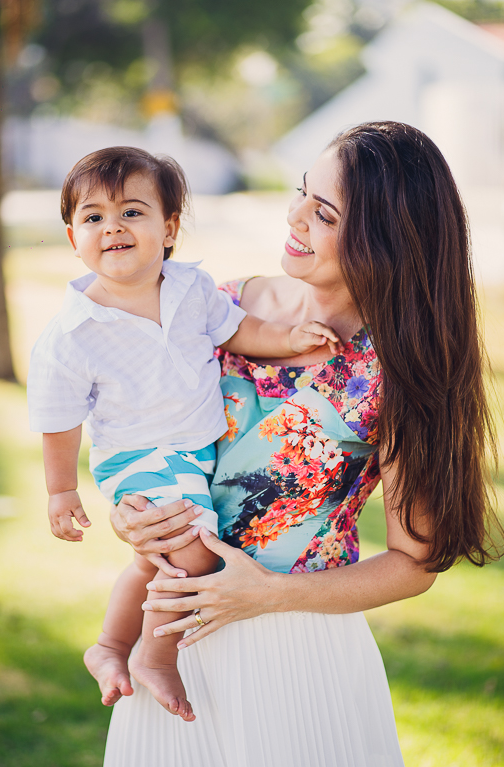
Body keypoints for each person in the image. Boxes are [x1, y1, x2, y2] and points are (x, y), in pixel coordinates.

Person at [101, 122, 504, 767]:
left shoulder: (396, 373)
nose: (294, 217)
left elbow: (416, 562)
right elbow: (141, 435)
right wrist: (129, 514)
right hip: (168, 637)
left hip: (295, 645)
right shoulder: (216, 306)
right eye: (301, 193)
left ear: (384, 240)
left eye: (324, 213)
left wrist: (268, 595)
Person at [27, 146, 342, 723]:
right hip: (136, 455)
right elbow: (58, 419)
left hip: (192, 451)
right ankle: (158, 653)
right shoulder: (73, 332)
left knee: (158, 562)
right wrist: (60, 491)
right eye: (93, 217)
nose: (113, 227)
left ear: (169, 228)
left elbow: (240, 330)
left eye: (132, 212)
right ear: (74, 238)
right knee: (193, 554)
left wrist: (291, 341)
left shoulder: (193, 291)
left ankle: (110, 645)